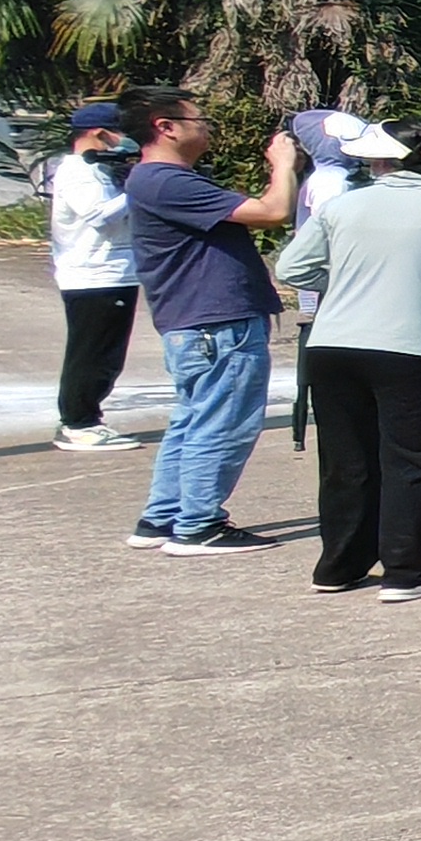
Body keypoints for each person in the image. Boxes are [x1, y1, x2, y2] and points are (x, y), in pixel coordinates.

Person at [274, 122, 421, 600]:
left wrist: (345, 271)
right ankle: (407, 572)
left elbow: (291, 269)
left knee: (346, 461)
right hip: (412, 347)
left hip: (333, 345)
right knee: (411, 461)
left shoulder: (343, 207)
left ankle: (338, 567)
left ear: (381, 162)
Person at [120, 91, 302, 556]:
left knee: (194, 421)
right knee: (223, 424)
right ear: (167, 127)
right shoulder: (165, 180)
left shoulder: (156, 180)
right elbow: (272, 212)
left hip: (200, 323)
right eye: (200, 119)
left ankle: (163, 517)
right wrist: (283, 164)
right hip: (217, 322)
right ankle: (200, 524)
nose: (208, 127)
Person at [44, 101, 142, 452]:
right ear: (99, 134)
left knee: (107, 353)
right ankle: (78, 422)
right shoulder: (77, 172)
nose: (125, 140)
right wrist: (140, 187)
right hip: (94, 276)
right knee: (93, 354)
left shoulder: (97, 169)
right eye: (119, 132)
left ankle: (86, 417)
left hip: (113, 274)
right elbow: (101, 216)